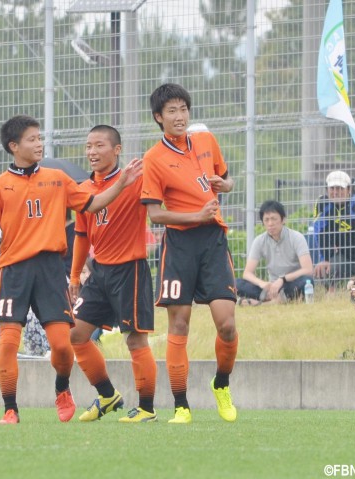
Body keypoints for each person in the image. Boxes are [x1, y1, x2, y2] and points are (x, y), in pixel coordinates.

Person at [0, 114, 142, 424]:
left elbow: (93, 204)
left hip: (51, 271)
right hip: (13, 271)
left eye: (40, 137)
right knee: (10, 341)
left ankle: (62, 387)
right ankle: (10, 409)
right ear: (14, 146)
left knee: (62, 347)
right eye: (32, 139)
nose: (39, 143)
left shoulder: (58, 178)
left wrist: (122, 183)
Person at [140, 83, 238, 424]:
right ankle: (182, 406)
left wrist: (227, 185)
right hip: (179, 244)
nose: (179, 116)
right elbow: (154, 214)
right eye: (172, 111)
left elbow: (224, 180)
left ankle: (221, 384)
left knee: (226, 324)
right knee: (179, 323)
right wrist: (194, 216)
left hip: (213, 240)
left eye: (183, 109)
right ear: (158, 117)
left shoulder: (207, 140)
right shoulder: (153, 159)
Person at [67, 125, 157, 423]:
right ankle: (108, 395)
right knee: (77, 334)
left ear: (117, 149)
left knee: (135, 340)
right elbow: (81, 235)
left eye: (99, 145)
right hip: (99, 274)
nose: (92, 152)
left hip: (130, 270)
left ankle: (146, 408)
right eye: (88, 146)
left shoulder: (136, 179)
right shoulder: (84, 190)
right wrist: (75, 277)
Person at [236, 200, 314, 304]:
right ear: (262, 222)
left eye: (274, 219)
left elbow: (308, 270)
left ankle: (262, 303)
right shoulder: (259, 241)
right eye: (266, 220)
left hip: (290, 284)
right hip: (269, 288)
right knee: (234, 283)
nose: (270, 223)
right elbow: (247, 273)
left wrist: (283, 279)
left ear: (283, 219)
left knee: (306, 281)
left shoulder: (296, 237)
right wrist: (262, 284)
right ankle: (272, 300)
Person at [313, 170, 355, 288]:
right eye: (332, 188)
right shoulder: (322, 205)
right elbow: (319, 234)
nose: (335, 192)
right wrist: (325, 259)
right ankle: (333, 290)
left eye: (340, 188)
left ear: (349, 190)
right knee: (323, 269)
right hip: (343, 257)